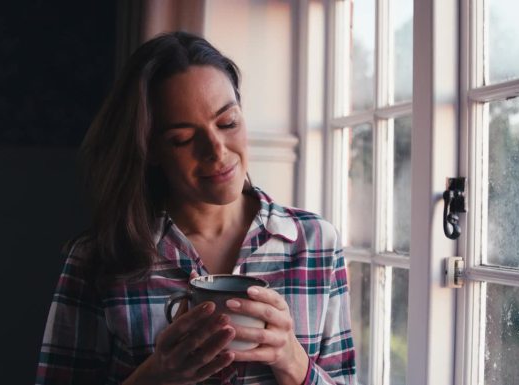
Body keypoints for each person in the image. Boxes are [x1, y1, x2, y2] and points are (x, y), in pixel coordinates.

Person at [35, 31, 356, 385]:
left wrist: (292, 359)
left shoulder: (314, 242)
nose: (216, 151)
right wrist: (156, 375)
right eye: (183, 139)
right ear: (151, 150)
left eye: (228, 122)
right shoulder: (97, 259)